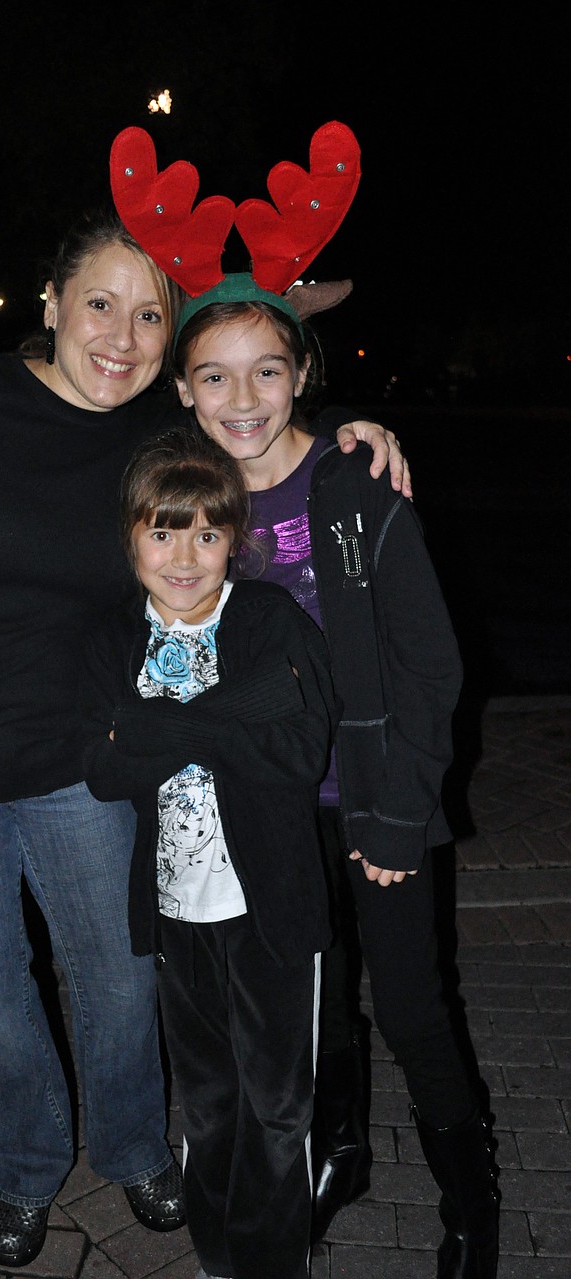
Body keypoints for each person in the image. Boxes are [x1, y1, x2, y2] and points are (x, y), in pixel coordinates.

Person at [0, 202, 405, 1270]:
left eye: (148, 315)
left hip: (86, 753)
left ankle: (131, 1149)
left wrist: (355, 431)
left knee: (121, 975)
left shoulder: (153, 436)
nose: (121, 337)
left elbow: (260, 434)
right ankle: (27, 1171)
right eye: (99, 306)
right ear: (52, 306)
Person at [171, 283, 500, 1278]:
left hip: (372, 799)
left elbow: (429, 663)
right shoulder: (184, 489)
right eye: (214, 375)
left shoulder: (352, 484)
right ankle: (341, 1149)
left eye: (267, 370)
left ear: (303, 375)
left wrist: (401, 814)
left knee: (409, 1004)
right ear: (182, 391)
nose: (243, 396)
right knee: (306, 1006)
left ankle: (470, 1201)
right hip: (263, 805)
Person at [80, 427, 338, 1279]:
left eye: (206, 532)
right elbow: (107, 767)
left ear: (235, 537)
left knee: (278, 1103)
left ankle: (273, 1261)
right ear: (130, 540)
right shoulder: (113, 638)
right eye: (162, 531)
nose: (184, 556)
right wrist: (236, 713)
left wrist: (161, 725)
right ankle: (221, 1254)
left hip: (267, 907)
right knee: (210, 1100)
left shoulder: (268, 620)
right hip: (175, 911)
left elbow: (302, 753)